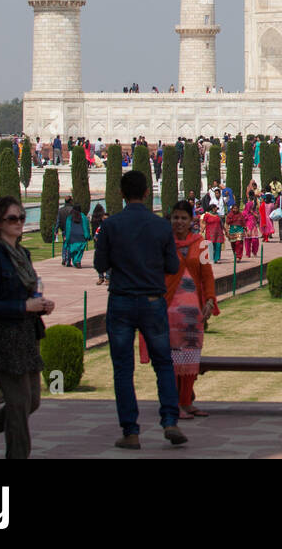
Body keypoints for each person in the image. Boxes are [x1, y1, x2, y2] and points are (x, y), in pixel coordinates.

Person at [93, 170, 187, 450]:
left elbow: (100, 264)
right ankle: (170, 420)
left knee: (123, 369)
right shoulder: (161, 226)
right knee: (163, 363)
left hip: (121, 299)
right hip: (151, 300)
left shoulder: (112, 226)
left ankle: (131, 431)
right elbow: (172, 266)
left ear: (122, 194)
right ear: (147, 193)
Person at [0, 198, 51, 458]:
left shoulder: (23, 254)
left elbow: (28, 291)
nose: (19, 222)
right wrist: (23, 307)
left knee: (31, 401)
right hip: (5, 337)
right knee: (18, 406)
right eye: (12, 219)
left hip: (28, 334)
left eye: (21, 217)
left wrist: (40, 305)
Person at [142, 202, 218, 420]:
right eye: (176, 217)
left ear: (191, 220)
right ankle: (173, 403)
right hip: (168, 310)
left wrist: (210, 300)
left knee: (191, 356)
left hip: (193, 313)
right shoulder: (162, 244)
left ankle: (186, 401)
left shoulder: (201, 244)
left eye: (184, 218)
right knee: (172, 359)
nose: (179, 222)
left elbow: (207, 274)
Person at [64, 202, 89, 268]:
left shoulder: (70, 217)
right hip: (81, 236)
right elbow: (86, 227)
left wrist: (67, 237)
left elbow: (68, 228)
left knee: (73, 251)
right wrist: (87, 235)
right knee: (80, 251)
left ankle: (76, 261)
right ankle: (77, 261)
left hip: (72, 236)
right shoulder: (83, 217)